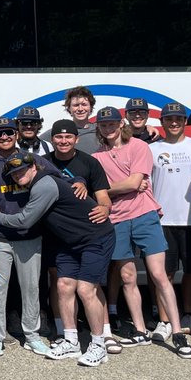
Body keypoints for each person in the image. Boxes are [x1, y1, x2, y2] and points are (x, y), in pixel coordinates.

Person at [0, 152, 116, 367]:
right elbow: (67, 178)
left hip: (95, 237)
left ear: (34, 167)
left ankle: (98, 345)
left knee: (86, 290)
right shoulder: (45, 178)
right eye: (13, 173)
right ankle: (71, 341)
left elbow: (25, 220)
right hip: (70, 241)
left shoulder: (44, 185)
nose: (18, 175)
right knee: (64, 286)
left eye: (22, 169)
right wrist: (78, 179)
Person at [91, 106, 191, 357]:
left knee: (159, 275)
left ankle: (177, 331)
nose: (109, 128)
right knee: (127, 277)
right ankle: (139, 330)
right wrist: (117, 188)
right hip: (116, 218)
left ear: (120, 124)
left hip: (145, 214)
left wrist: (109, 188)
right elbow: (106, 190)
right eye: (104, 125)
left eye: (113, 124)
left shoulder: (138, 146)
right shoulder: (96, 158)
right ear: (99, 129)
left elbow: (134, 182)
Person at [0, 116, 46, 356]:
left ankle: (32, 334)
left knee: (31, 288)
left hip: (29, 236)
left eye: (8, 133)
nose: (4, 137)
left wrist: (77, 180)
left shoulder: (32, 159)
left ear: (16, 134)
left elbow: (56, 176)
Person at [149, 103, 191, 346]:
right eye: (169, 118)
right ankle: (165, 322)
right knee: (163, 275)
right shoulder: (152, 149)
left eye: (178, 118)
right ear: (162, 122)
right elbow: (147, 185)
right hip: (163, 221)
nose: (174, 122)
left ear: (184, 121)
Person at [45, 119, 113, 346]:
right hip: (59, 235)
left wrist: (104, 209)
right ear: (52, 139)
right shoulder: (44, 164)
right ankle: (65, 333)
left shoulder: (89, 162)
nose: (63, 141)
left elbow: (103, 197)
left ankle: (105, 334)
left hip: (89, 233)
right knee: (62, 283)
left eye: (68, 137)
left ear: (76, 139)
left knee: (91, 285)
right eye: (58, 137)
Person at [63, 86, 100, 154]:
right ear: (69, 108)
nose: (80, 109)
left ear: (91, 107)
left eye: (84, 104)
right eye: (76, 105)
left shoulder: (101, 129)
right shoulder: (61, 131)